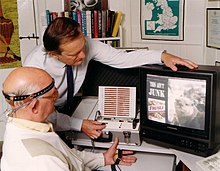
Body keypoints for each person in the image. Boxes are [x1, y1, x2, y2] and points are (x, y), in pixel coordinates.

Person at [23, 17, 198, 139]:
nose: (84, 56)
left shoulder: (86, 46)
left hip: (68, 106)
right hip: (43, 117)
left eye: (83, 47)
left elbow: (123, 59)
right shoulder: (34, 68)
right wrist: (79, 124)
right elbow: (43, 113)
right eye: (75, 54)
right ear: (54, 55)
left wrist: (162, 56)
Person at [0, 67, 136, 171]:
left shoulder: (23, 125)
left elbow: (68, 155)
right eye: (53, 95)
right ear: (34, 106)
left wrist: (103, 159)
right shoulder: (44, 162)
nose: (56, 98)